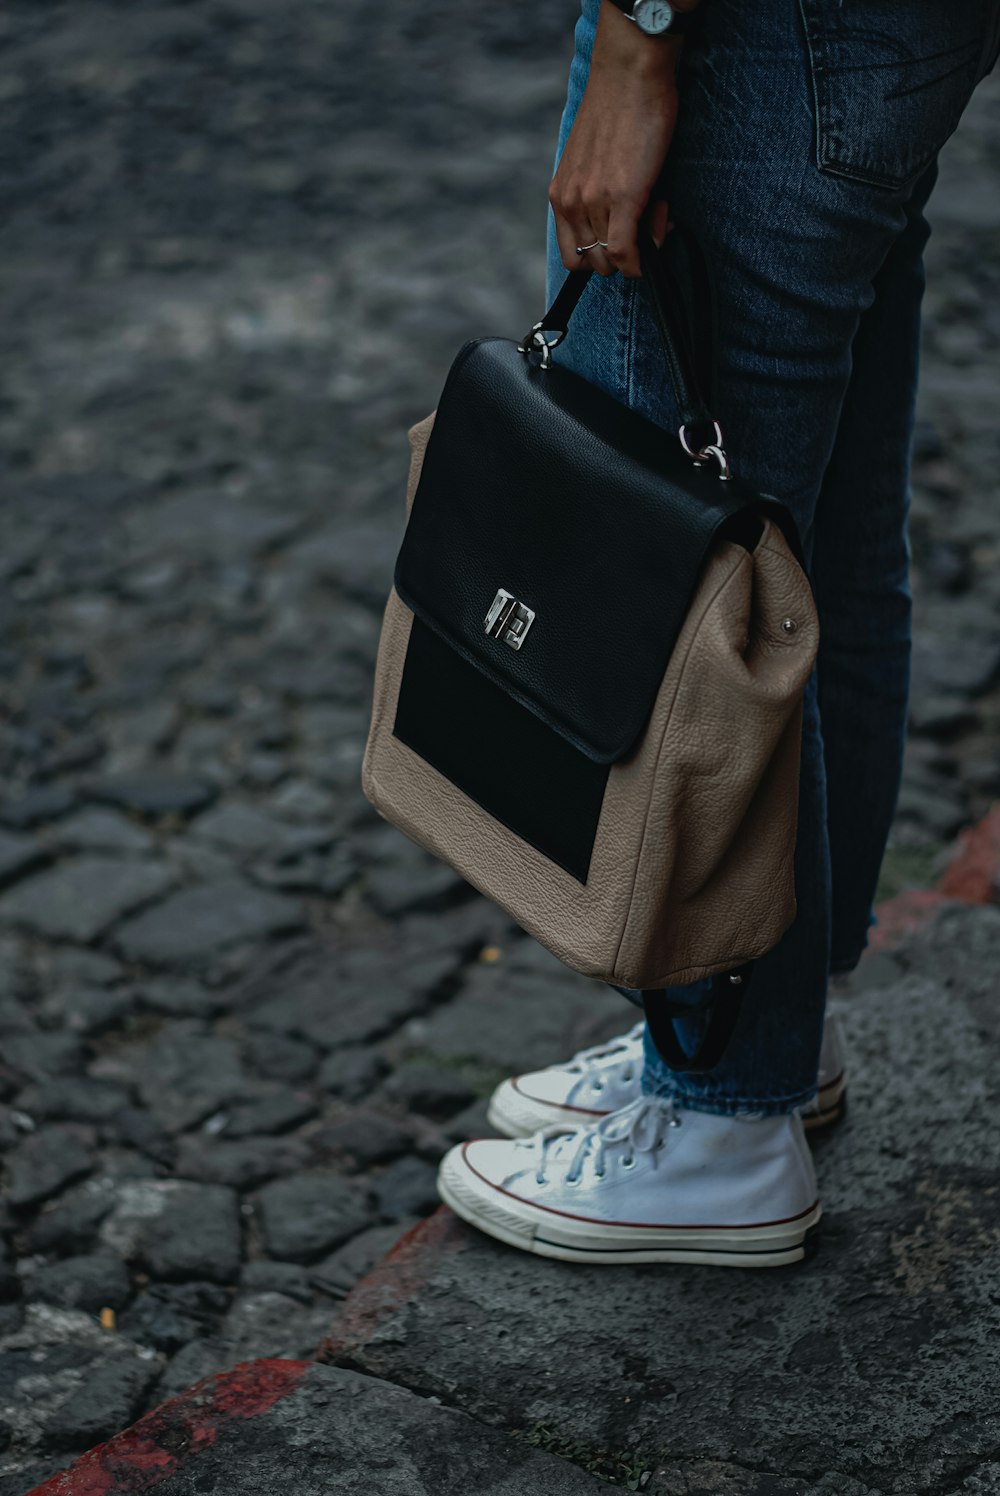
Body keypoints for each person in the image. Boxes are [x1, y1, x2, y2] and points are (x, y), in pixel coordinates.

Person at [435, 0, 1000, 1266]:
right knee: (817, 568)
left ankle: (720, 1122)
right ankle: (775, 1044)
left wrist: (638, 46)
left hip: (744, 39)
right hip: (880, 42)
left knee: (703, 602)